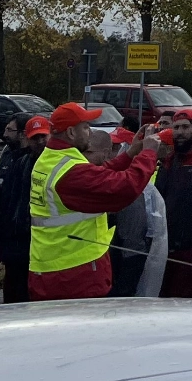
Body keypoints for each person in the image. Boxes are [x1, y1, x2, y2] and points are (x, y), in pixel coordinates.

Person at [28, 104, 160, 299]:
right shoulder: (72, 171)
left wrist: (131, 153)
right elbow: (124, 188)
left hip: (51, 265)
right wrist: (148, 153)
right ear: (72, 132)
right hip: (74, 273)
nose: (90, 132)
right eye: (86, 127)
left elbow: (98, 175)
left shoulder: (52, 159)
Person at [157, 111, 192, 297]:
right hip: (165, 245)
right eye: (176, 127)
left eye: (185, 127)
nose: (180, 132)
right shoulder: (167, 161)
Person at [0, 116, 42, 304]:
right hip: (12, 240)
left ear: (22, 135)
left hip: (27, 243)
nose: (5, 135)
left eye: (9, 130)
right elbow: (6, 199)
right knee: (12, 293)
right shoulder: (11, 156)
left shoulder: (34, 164)